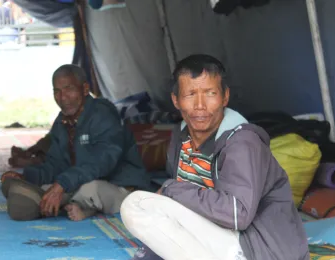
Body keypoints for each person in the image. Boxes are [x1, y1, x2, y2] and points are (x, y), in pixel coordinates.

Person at [120, 54, 310, 260]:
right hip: (220, 238)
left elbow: (238, 215)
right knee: (155, 212)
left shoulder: (243, 142)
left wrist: (170, 189)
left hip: (260, 249)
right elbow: (186, 203)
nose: (200, 105)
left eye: (210, 93)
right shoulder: (181, 135)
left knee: (136, 204)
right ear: (176, 100)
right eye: (190, 94)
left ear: (225, 97)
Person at [0, 64, 150, 222]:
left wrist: (62, 185)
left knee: (90, 189)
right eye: (57, 91)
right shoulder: (62, 122)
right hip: (79, 183)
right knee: (42, 191)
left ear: (85, 89)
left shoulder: (103, 114)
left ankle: (76, 207)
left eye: (69, 89)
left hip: (121, 187)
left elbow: (103, 161)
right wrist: (27, 177)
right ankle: (63, 204)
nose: (62, 97)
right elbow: (55, 165)